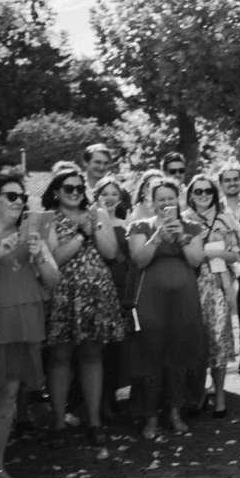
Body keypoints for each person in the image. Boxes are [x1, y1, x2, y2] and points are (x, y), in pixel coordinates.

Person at [0, 174, 59, 478]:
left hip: (20, 327)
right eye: (11, 196)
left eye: (21, 197)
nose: (19, 202)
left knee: (7, 399)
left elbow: (53, 280)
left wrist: (39, 253)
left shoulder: (32, 232)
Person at [42, 168, 127, 448]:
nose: (76, 192)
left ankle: (94, 421)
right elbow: (56, 257)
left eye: (80, 188)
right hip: (63, 294)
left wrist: (95, 226)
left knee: (92, 354)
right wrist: (81, 234)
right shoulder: (48, 219)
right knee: (59, 356)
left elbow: (110, 253)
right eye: (69, 188)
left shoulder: (97, 213)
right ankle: (57, 421)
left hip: (95, 294)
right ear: (56, 191)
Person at [127, 179, 208, 440]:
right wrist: (157, 235)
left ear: (179, 200)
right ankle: (150, 416)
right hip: (152, 297)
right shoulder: (140, 226)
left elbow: (196, 259)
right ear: (152, 202)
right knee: (150, 351)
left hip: (184, 297)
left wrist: (181, 237)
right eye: (160, 199)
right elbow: (139, 260)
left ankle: (175, 412)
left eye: (170, 198)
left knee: (179, 351)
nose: (165, 204)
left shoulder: (192, 227)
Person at [183, 174, 240, 418]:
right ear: (190, 195)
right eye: (198, 191)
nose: (203, 196)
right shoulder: (182, 220)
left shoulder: (226, 219)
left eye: (207, 191)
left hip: (217, 284)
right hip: (188, 285)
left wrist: (219, 253)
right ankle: (199, 392)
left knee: (217, 340)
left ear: (215, 194)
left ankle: (220, 395)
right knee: (193, 340)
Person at [92, 175, 133, 419]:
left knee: (118, 346)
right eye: (104, 193)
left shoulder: (126, 223)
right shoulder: (93, 221)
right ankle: (97, 401)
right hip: (98, 287)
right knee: (98, 346)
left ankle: (114, 396)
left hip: (121, 287)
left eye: (114, 194)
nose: (109, 198)